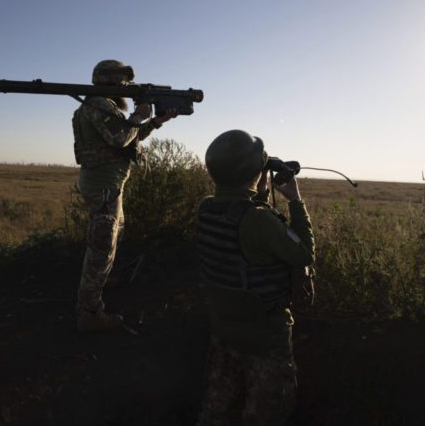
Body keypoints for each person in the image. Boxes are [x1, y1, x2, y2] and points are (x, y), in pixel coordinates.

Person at [195, 129, 315, 426]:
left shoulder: (207, 207)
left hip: (224, 323)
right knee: (269, 407)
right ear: (254, 173)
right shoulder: (258, 219)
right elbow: (304, 254)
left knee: (218, 400)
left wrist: (256, 186)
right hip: (264, 330)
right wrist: (295, 200)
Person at [72, 59, 178, 332]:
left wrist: (154, 122)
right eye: (123, 84)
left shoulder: (101, 105)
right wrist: (138, 117)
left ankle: (101, 281)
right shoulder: (98, 106)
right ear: (113, 84)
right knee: (101, 248)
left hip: (108, 185)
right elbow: (120, 137)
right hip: (103, 186)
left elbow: (127, 137)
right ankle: (90, 314)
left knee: (111, 237)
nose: (127, 89)